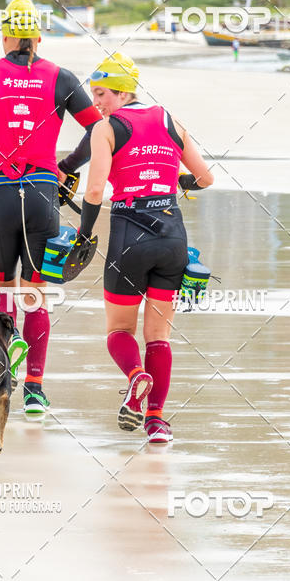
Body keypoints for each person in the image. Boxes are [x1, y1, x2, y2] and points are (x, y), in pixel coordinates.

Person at [0, 0, 101, 415]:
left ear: (7, 36)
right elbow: (99, 131)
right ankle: (34, 389)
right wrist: (66, 166)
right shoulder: (61, 77)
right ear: (38, 38)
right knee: (36, 296)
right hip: (44, 197)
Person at [77, 52, 214, 444]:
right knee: (160, 338)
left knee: (119, 330)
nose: (97, 103)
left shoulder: (107, 128)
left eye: (101, 94)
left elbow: (96, 189)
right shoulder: (170, 120)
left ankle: (137, 377)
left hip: (128, 237)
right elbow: (205, 178)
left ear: (121, 91)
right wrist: (175, 185)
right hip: (173, 238)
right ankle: (156, 422)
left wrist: (85, 234)